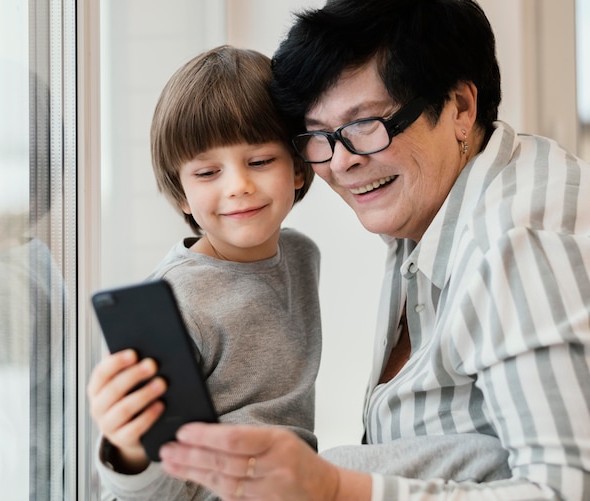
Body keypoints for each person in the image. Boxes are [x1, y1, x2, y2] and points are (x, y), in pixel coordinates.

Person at [154, 1, 590, 499]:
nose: (340, 163)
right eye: (320, 135)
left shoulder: (519, 250)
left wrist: (336, 486)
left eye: (365, 125)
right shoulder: (431, 195)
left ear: (461, 109)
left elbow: (562, 491)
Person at [87, 45, 322, 500]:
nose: (238, 186)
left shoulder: (300, 255)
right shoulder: (179, 302)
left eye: (259, 161)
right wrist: (130, 450)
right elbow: (153, 483)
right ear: (180, 193)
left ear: (297, 166)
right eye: (208, 172)